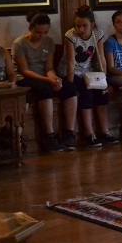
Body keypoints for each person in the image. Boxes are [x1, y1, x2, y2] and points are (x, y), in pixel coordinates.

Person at [13, 12, 79, 152]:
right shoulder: (20, 44)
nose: (42, 36)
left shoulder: (49, 42)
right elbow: (24, 70)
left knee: (70, 88)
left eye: (45, 32)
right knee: (45, 89)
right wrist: (48, 80)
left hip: (44, 77)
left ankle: (69, 133)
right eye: (38, 32)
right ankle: (49, 135)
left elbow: (49, 68)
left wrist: (54, 79)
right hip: (25, 79)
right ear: (30, 28)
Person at [57, 5, 117, 148]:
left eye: (85, 26)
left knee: (101, 92)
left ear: (93, 25)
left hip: (88, 72)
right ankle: (89, 134)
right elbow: (71, 63)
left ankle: (104, 131)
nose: (81, 29)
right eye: (78, 26)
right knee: (86, 92)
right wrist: (70, 84)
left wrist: (104, 80)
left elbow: (101, 58)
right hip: (70, 72)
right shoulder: (71, 36)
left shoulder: (98, 34)